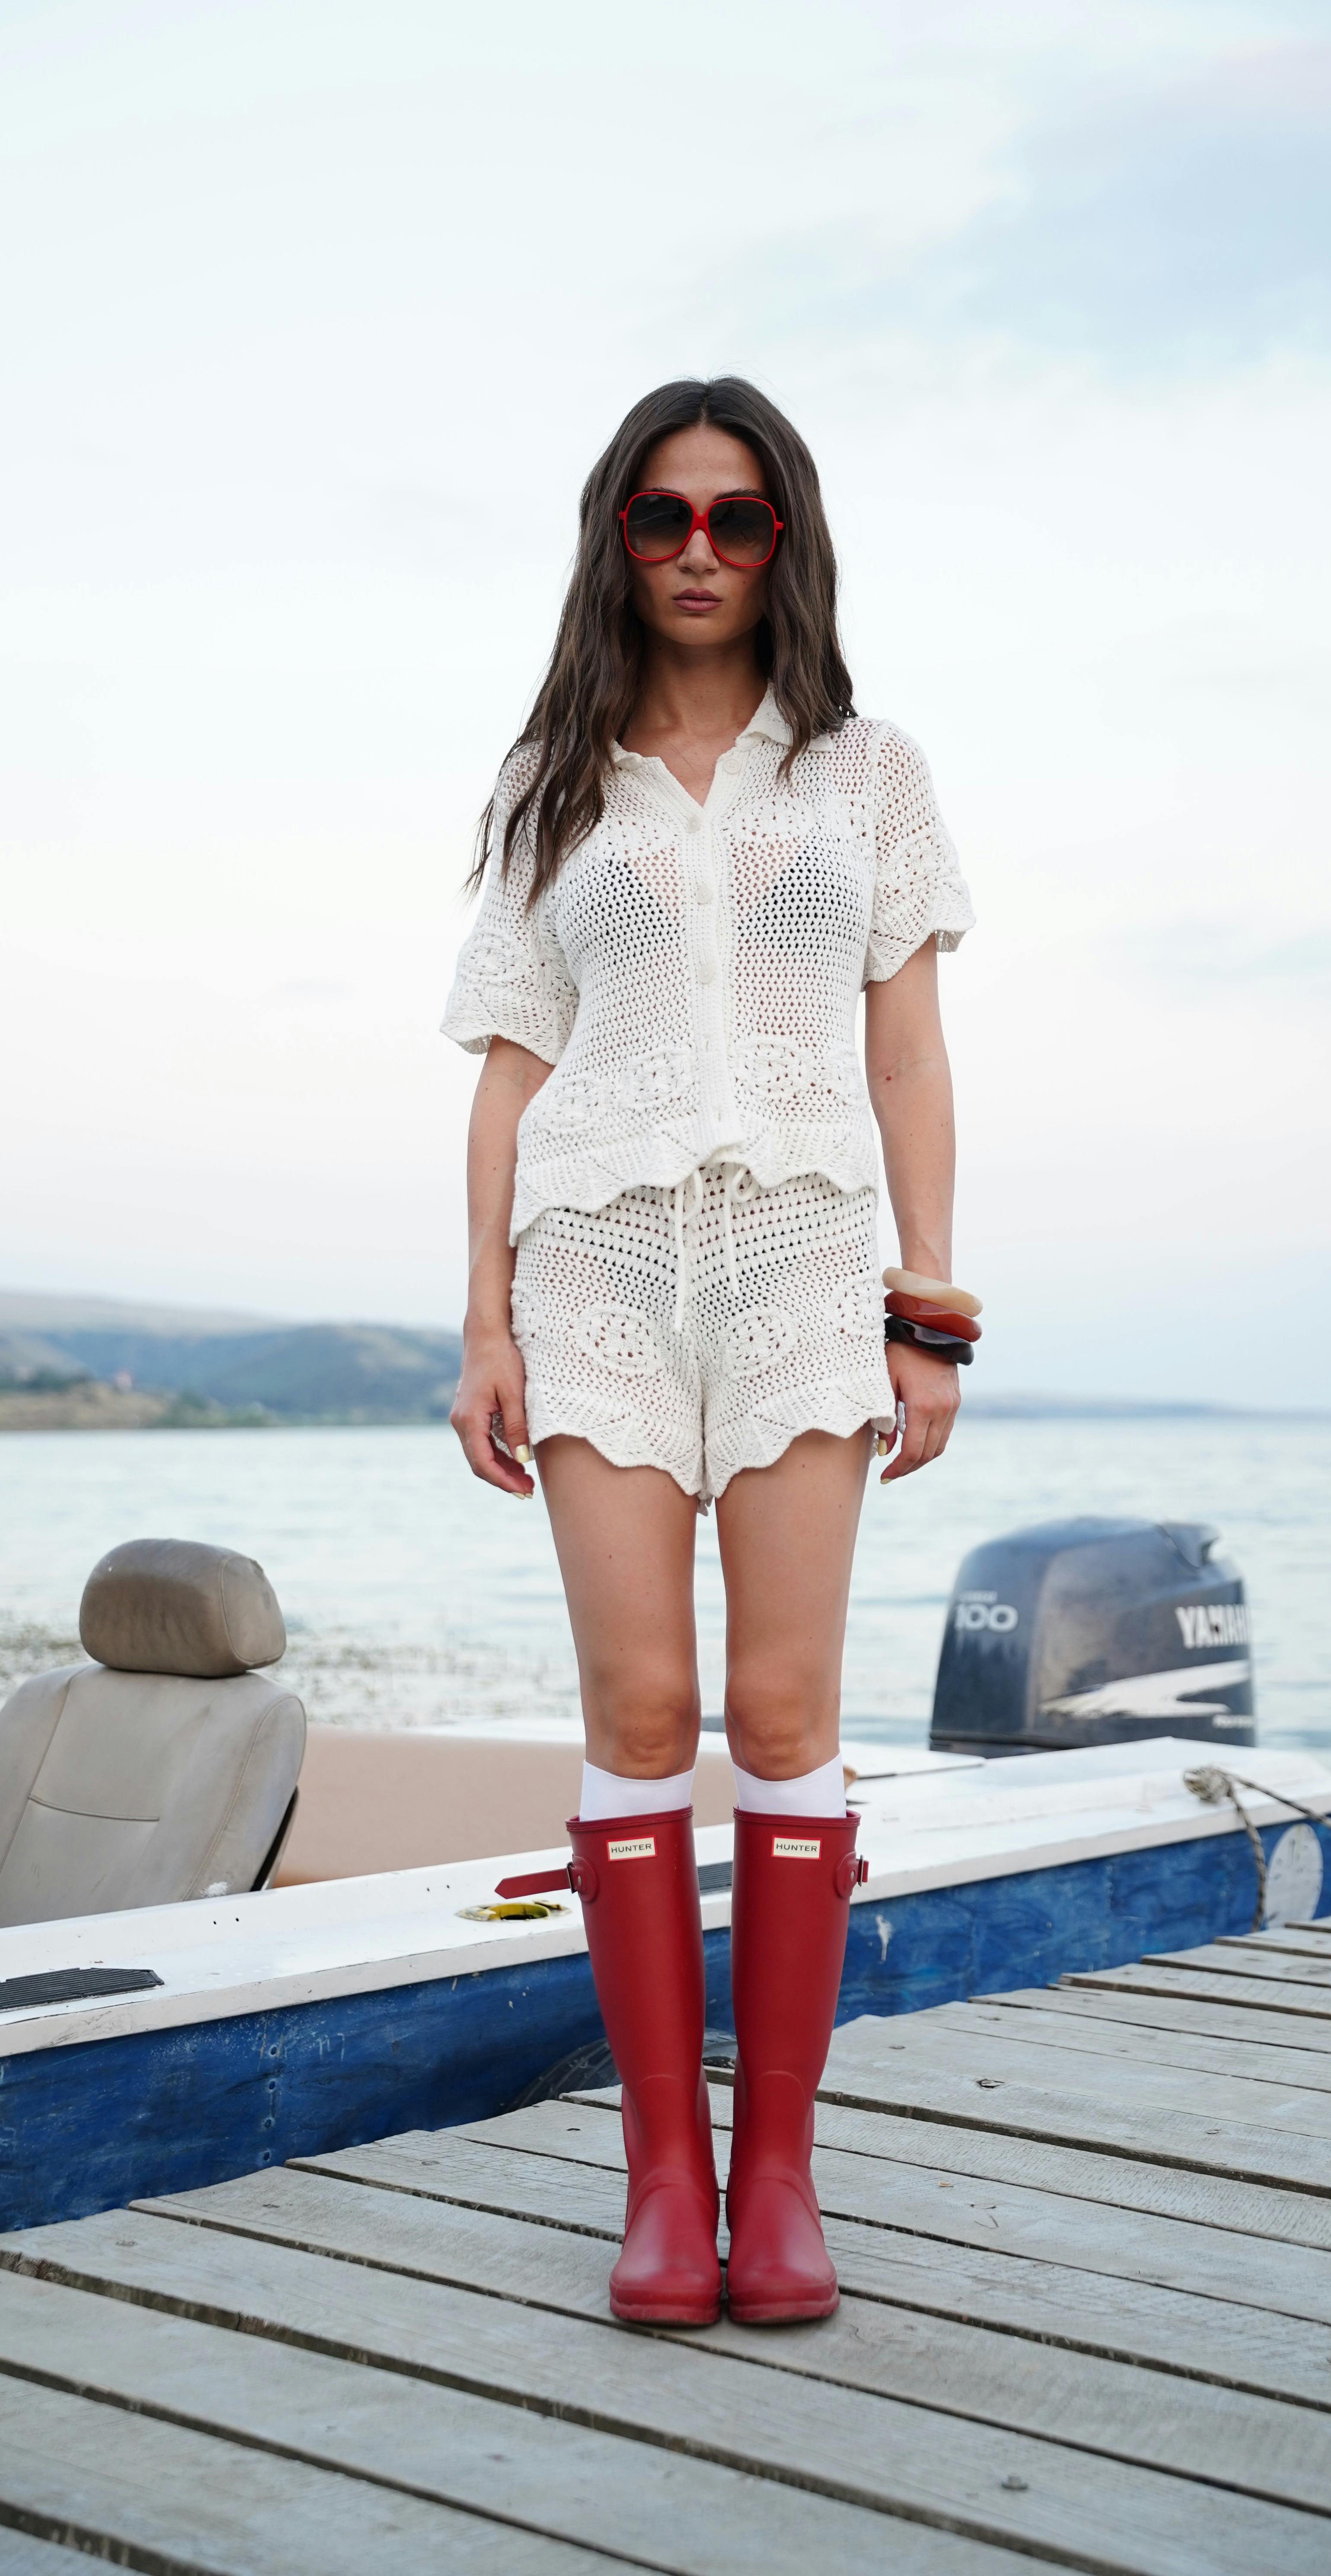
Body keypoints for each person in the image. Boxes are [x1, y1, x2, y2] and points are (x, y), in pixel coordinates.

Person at [442, 376, 973, 2328]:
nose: (694, 554)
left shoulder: (868, 772)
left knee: (778, 1708)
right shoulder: (549, 782)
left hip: (807, 1262)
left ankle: (784, 2181)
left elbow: (909, 1055)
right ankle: (663, 2182)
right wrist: (485, 1323)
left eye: (734, 520)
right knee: (643, 1715)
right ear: (615, 538)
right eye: (659, 520)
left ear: (785, 540)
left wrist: (931, 1310)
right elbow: (505, 1082)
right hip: (590, 1264)